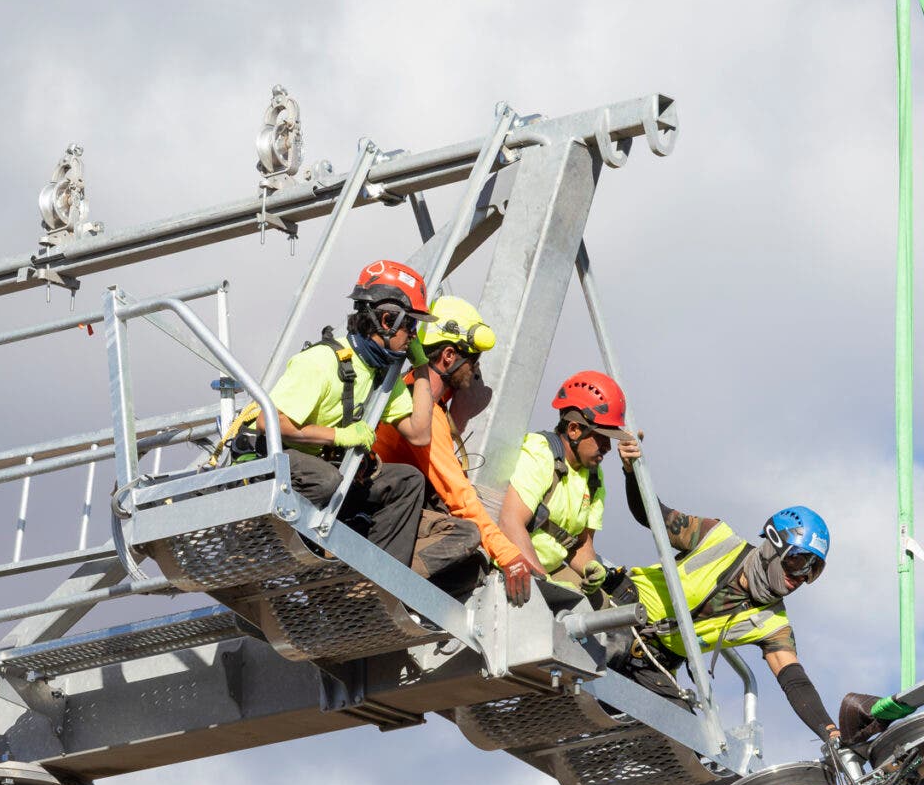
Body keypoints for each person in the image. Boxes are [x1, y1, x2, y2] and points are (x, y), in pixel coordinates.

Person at [622, 491, 872, 750]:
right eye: (798, 561)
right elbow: (650, 513)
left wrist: (831, 734)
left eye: (813, 570)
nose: (801, 576)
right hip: (619, 615)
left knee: (685, 744)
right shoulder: (714, 538)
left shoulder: (772, 623)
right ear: (774, 546)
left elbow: (796, 681)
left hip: (653, 664)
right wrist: (631, 470)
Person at [239, 258, 438, 568]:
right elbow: (270, 422)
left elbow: (419, 432)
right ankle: (260, 540)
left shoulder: (380, 376)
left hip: (315, 469)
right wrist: (339, 436)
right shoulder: (322, 361)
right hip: (274, 460)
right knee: (327, 480)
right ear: (387, 320)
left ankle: (378, 576)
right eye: (410, 325)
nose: (413, 335)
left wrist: (422, 365)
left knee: (408, 481)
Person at [372, 296, 546, 602]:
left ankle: (401, 599)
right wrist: (509, 555)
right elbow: (460, 498)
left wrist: (460, 416)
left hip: (387, 514)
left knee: (472, 569)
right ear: (449, 355)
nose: (476, 372)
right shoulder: (423, 412)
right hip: (377, 517)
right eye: (474, 361)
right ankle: (376, 586)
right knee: (464, 534)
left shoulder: (419, 398)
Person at [495, 370, 642, 599]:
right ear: (574, 429)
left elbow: (581, 544)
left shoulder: (594, 477)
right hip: (516, 563)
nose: (607, 447)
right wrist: (544, 584)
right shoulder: (540, 453)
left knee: (604, 612)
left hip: (550, 569)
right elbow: (510, 522)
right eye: (601, 436)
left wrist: (591, 567)